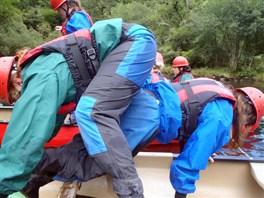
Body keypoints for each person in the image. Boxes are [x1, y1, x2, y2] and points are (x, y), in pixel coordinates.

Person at [17, 78, 264, 198]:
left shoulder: (218, 91)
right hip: (147, 117)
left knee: (90, 147)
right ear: (247, 123)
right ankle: (31, 176)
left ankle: (30, 171)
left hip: (143, 99)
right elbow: (189, 163)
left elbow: (191, 116)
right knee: (95, 160)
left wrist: (204, 150)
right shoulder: (222, 119)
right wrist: (181, 195)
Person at [0, 18, 157, 198]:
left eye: (14, 96)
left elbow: (27, 133)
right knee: (92, 135)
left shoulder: (41, 74)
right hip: (131, 50)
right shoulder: (48, 72)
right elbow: (42, 131)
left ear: (17, 83)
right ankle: (34, 181)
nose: (19, 98)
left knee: (91, 112)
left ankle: (131, 194)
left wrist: (3, 185)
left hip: (132, 42)